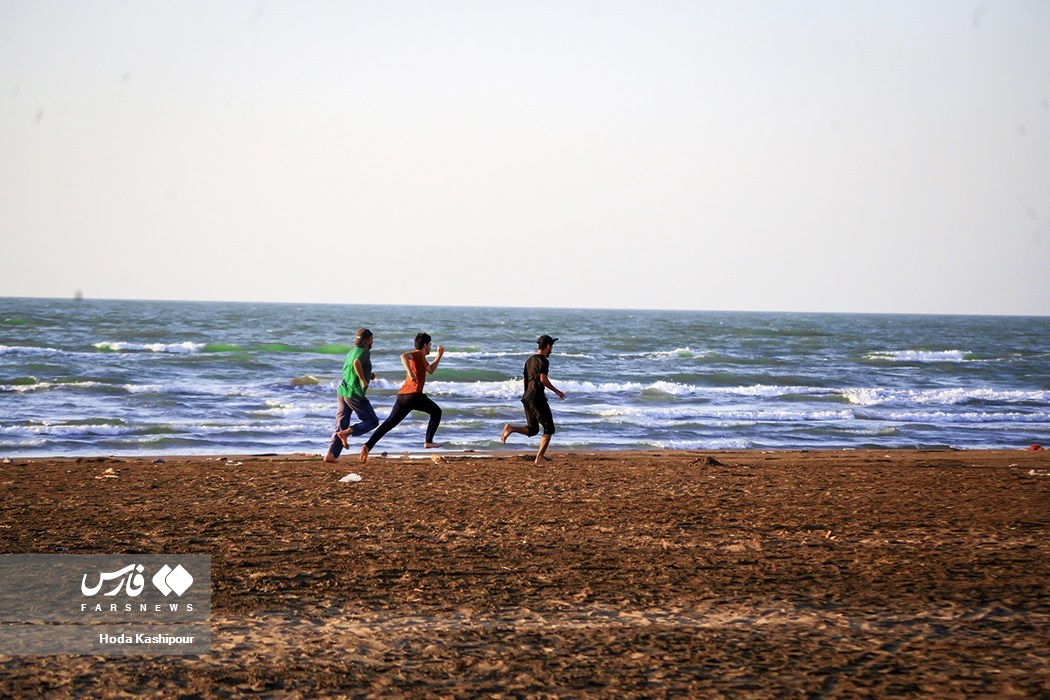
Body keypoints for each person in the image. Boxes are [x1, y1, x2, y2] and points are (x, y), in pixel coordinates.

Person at [360, 332, 445, 463]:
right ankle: (428, 441)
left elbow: (430, 369)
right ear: (425, 345)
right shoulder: (417, 354)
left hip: (403, 396)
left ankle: (367, 445)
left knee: (389, 423)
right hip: (414, 395)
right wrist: (410, 373)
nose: (431, 348)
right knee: (437, 412)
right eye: (430, 345)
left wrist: (439, 356)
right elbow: (403, 356)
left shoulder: (422, 358)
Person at [501, 335, 566, 464]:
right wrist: (557, 391)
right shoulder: (543, 361)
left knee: (533, 429)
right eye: (551, 346)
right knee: (549, 429)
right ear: (548, 346)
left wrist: (527, 395)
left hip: (527, 398)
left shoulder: (529, 361)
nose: (552, 349)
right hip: (537, 398)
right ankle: (539, 458)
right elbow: (543, 379)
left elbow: (525, 380)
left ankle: (511, 428)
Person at [323, 328, 379, 463]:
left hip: (342, 392)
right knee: (372, 421)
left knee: (341, 424)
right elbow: (356, 363)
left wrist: (368, 375)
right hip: (354, 393)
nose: (373, 342)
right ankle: (347, 433)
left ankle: (331, 454)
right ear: (366, 341)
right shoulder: (364, 352)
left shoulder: (351, 352)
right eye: (371, 339)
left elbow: (352, 366)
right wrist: (363, 380)